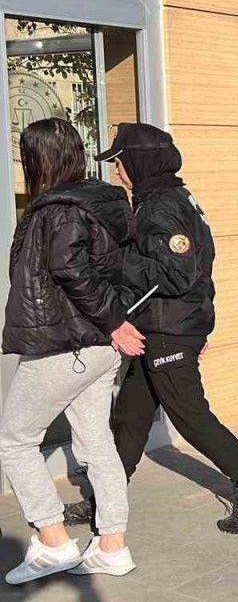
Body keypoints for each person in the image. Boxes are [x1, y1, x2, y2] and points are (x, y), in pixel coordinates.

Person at [64, 123, 238, 534]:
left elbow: (177, 273)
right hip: (161, 325)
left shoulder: (161, 205)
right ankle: (104, 500)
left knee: (190, 416)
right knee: (130, 418)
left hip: (168, 328)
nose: (116, 169)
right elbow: (197, 265)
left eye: (119, 161)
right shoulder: (170, 197)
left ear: (140, 161)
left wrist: (114, 261)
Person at [0, 118, 142, 582]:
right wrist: (113, 324)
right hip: (97, 347)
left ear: (37, 159)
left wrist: (114, 321)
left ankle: (54, 541)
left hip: (65, 346)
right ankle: (112, 546)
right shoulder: (102, 201)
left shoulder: (58, 209)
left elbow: (71, 271)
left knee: (15, 441)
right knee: (96, 442)